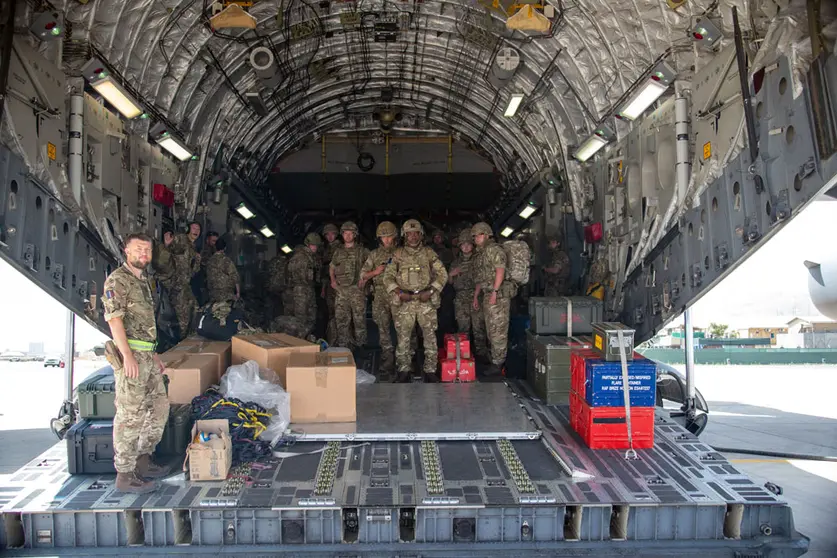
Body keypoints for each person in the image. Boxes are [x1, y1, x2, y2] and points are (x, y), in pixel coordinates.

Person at [102, 233, 169, 494]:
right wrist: (127, 355)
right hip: (132, 359)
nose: (144, 254)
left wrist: (153, 354)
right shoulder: (117, 280)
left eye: (148, 250)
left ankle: (143, 459)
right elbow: (114, 320)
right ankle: (125, 475)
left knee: (159, 408)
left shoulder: (142, 281)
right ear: (126, 251)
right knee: (130, 416)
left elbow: (143, 325)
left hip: (146, 356)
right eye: (139, 249)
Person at [384, 219, 448, 382]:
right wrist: (399, 292)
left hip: (425, 301)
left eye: (416, 233)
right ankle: (404, 370)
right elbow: (388, 277)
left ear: (421, 235)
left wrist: (431, 290)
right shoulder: (397, 254)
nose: (413, 237)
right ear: (404, 235)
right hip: (405, 301)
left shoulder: (429, 253)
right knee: (403, 338)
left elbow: (443, 274)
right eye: (409, 234)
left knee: (430, 337)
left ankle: (430, 370)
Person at [472, 222, 514, 376]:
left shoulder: (494, 250)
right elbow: (481, 277)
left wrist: (495, 292)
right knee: (491, 330)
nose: (476, 238)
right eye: (475, 236)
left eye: (479, 235)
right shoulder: (482, 253)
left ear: (487, 235)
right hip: (488, 294)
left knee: (498, 330)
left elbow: (500, 270)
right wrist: (476, 296)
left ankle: (498, 364)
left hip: (499, 296)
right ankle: (495, 360)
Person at [361, 222, 398, 369]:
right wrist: (375, 272)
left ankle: (407, 357)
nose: (387, 240)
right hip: (380, 295)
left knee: (404, 328)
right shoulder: (374, 254)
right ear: (379, 238)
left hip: (398, 294)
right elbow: (363, 275)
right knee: (383, 328)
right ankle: (387, 356)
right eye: (383, 237)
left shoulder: (402, 253)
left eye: (389, 236)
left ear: (394, 237)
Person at [448, 230, 488, 361]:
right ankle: (465, 354)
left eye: (468, 244)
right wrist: (452, 274)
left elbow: (482, 279)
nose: (466, 247)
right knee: (463, 328)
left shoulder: (478, 260)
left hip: (476, 296)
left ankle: (481, 355)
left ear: (473, 245)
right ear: (459, 246)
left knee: (478, 327)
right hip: (460, 298)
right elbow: (448, 282)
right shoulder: (455, 262)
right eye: (463, 245)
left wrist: (476, 296)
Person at [330, 222, 370, 350]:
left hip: (357, 290)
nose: (347, 236)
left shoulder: (362, 251)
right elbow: (332, 267)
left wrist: (365, 279)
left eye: (350, 233)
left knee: (359, 320)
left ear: (355, 235)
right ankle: (343, 347)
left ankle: (360, 346)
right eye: (345, 233)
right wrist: (333, 281)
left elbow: (371, 265)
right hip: (341, 291)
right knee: (341, 320)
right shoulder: (338, 251)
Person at [168, 222, 202, 338]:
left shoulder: (193, 247)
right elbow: (169, 249)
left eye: (198, 229)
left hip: (185, 283)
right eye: (194, 228)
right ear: (188, 229)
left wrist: (197, 260)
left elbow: (194, 271)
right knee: (183, 314)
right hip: (176, 282)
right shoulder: (181, 239)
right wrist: (168, 244)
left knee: (195, 307)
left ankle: (189, 335)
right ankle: (181, 339)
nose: (196, 231)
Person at [287, 233, 322, 336]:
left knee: (311, 317)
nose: (315, 247)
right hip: (301, 290)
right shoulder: (300, 256)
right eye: (313, 245)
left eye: (316, 245)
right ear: (308, 244)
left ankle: (307, 340)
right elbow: (290, 272)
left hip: (309, 288)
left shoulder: (313, 257)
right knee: (301, 318)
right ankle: (300, 342)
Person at [320, 223, 342, 344]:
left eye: (332, 234)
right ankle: (332, 338)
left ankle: (339, 338)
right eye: (327, 234)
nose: (330, 236)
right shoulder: (326, 249)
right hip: (329, 284)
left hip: (339, 284)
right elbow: (324, 271)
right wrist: (323, 288)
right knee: (331, 312)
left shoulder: (340, 248)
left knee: (339, 311)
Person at [205, 238, 240, 304]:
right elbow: (235, 277)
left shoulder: (210, 261)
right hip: (226, 295)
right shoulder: (226, 260)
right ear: (225, 248)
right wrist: (238, 293)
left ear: (215, 247)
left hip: (212, 294)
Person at [265, 251, 289, 322]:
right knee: (280, 306)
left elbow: (268, 271)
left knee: (271, 305)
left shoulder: (273, 260)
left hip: (272, 286)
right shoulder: (286, 262)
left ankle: (270, 322)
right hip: (281, 287)